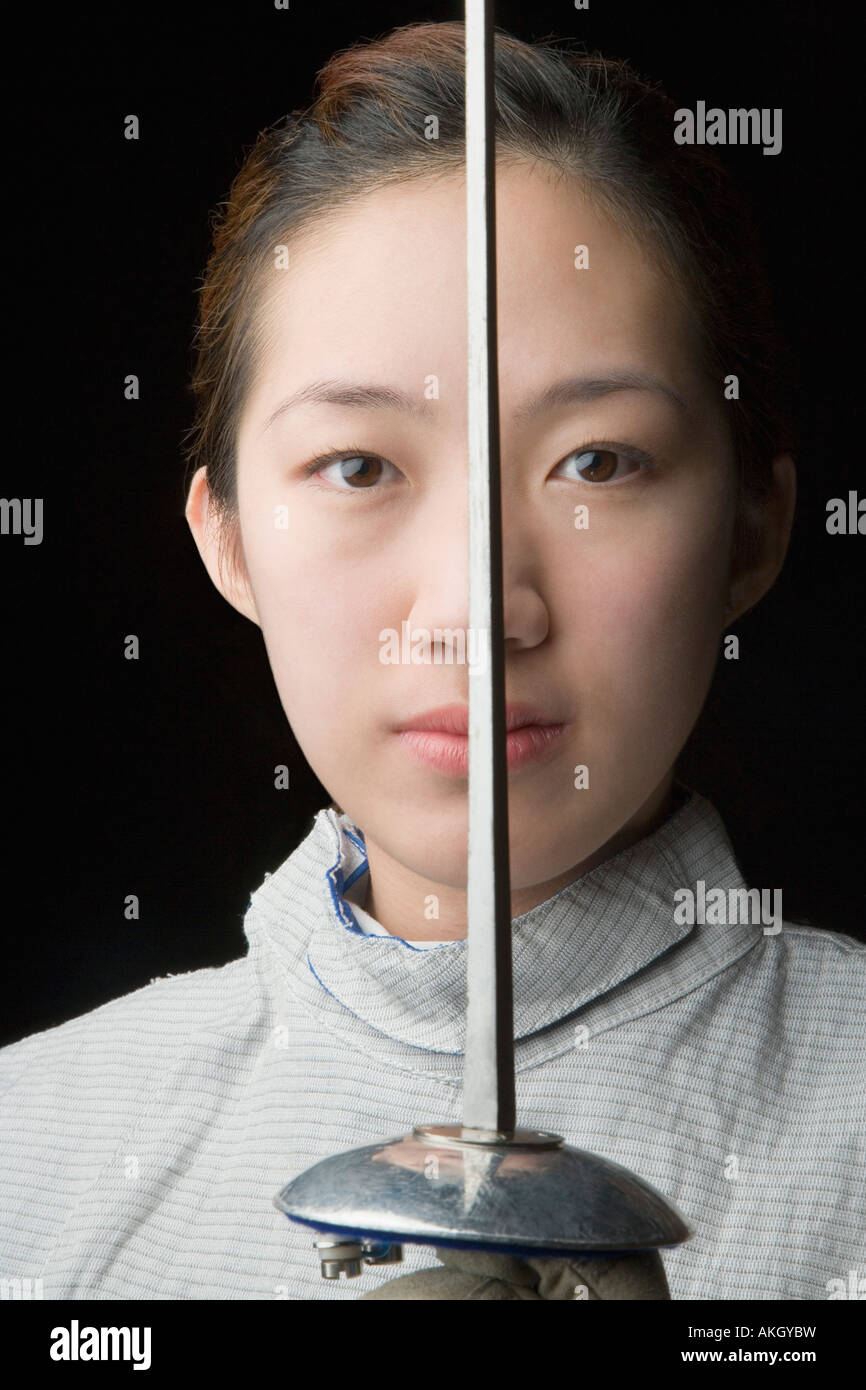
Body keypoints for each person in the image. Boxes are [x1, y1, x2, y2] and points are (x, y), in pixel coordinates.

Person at [1, 20, 862, 1302]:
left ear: (754, 524)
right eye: (357, 467)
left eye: (598, 461)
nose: (476, 613)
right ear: (225, 538)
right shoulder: (37, 1139)